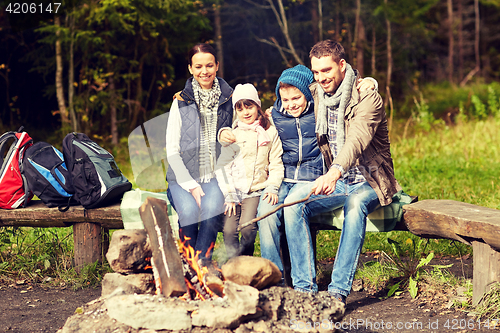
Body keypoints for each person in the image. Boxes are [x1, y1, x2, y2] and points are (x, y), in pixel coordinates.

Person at [282, 40, 401, 304]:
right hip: (337, 180)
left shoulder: (368, 96)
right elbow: (288, 99)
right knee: (292, 202)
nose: (321, 77)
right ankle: (304, 291)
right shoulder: (316, 93)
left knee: (355, 202)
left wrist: (334, 171)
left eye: (327, 70)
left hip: (371, 180)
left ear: (342, 65)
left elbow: (356, 139)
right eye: (316, 72)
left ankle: (337, 292)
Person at [166, 43, 233, 263]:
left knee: (212, 211)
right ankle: (187, 265)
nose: (204, 71)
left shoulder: (229, 99)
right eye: (198, 66)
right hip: (182, 177)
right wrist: (191, 186)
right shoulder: (181, 102)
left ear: (217, 66)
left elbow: (249, 119)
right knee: (188, 213)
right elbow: (172, 151)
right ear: (190, 69)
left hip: (215, 176)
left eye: (209, 65)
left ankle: (201, 266)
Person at [256, 65, 324, 275]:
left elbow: (347, 91)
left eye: (296, 98)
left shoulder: (320, 111)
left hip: (310, 178)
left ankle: (302, 279)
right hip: (281, 179)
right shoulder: (274, 116)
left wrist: (369, 82)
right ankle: (274, 277)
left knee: (292, 208)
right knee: (265, 213)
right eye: (285, 100)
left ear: (307, 93)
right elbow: (246, 126)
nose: (291, 105)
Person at [215, 84, 284, 259]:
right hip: (234, 191)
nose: (245, 112)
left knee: (247, 227)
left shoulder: (269, 132)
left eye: (249, 106)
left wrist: (272, 187)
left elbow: (276, 163)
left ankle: (246, 261)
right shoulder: (232, 135)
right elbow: (223, 167)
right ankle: (233, 264)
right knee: (229, 230)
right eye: (240, 108)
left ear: (257, 106)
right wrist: (229, 193)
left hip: (255, 190)